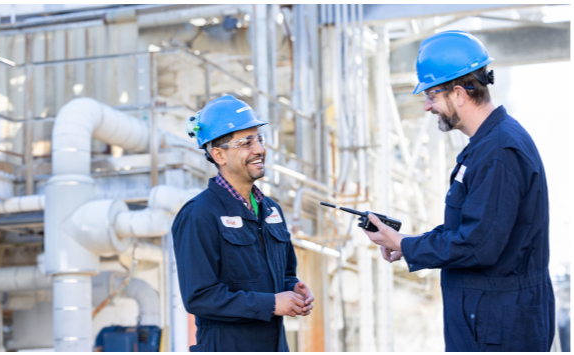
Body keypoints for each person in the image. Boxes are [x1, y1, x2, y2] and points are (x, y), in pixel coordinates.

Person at [361, 30, 554, 351]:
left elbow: (479, 245)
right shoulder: (487, 146)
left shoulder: (498, 151)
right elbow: (471, 226)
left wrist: (408, 246)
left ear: (459, 93)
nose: (427, 107)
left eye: (432, 96)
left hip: (499, 322)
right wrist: (408, 243)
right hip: (492, 315)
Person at [171, 95, 314, 352]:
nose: (259, 149)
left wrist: (293, 289)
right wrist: (271, 304)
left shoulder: (271, 210)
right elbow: (199, 296)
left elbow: (284, 274)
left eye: (259, 138)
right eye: (246, 142)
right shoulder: (199, 214)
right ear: (218, 155)